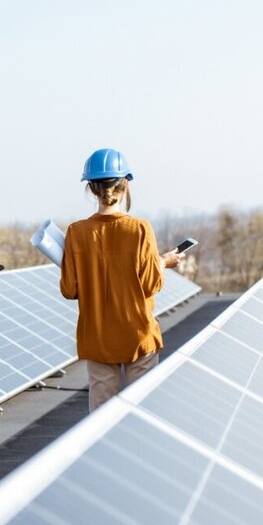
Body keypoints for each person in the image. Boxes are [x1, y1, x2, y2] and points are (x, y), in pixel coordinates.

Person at [59, 147, 183, 411]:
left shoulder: (76, 232)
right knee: (143, 415)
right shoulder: (139, 229)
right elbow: (151, 285)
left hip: (97, 338)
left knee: (100, 422)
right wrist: (163, 261)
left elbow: (69, 290)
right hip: (138, 335)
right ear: (125, 185)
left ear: (91, 188)